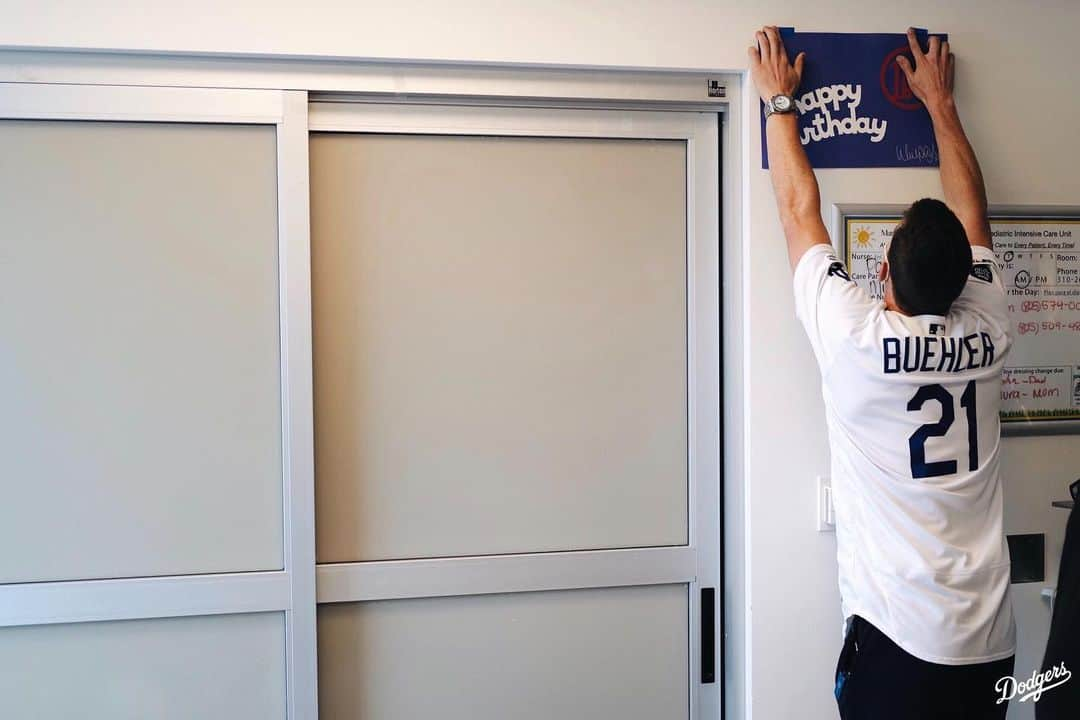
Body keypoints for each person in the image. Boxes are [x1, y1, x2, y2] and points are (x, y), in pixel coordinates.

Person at [749, 26, 1016, 719]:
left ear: (883, 274)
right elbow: (972, 213)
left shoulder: (857, 336)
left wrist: (780, 102)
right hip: (990, 645)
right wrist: (939, 104)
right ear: (963, 279)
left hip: (899, 643)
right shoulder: (987, 324)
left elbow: (798, 209)